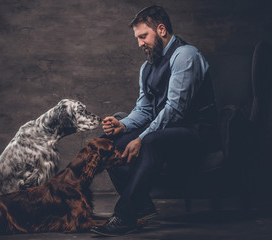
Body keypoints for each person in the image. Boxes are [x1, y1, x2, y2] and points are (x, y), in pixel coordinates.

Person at [90, 5, 219, 236]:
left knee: (150, 141)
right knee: (106, 144)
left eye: (143, 36)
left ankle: (125, 215)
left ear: (161, 29)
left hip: (198, 133)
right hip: (166, 131)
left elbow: (175, 111)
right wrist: (123, 125)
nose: (139, 43)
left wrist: (140, 137)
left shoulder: (185, 55)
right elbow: (145, 109)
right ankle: (143, 207)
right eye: (137, 38)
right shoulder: (147, 67)